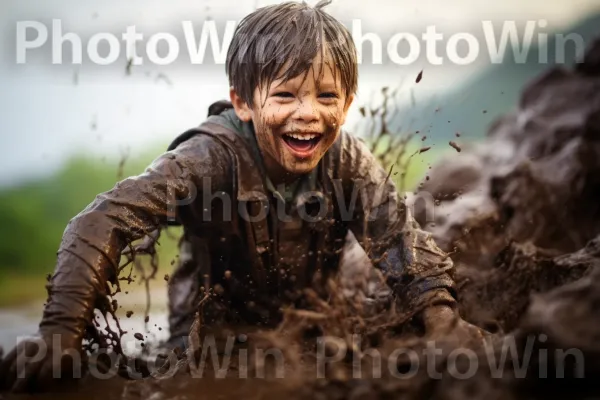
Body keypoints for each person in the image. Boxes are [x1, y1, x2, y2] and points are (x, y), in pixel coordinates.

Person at [0, 0, 481, 392]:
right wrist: (60, 333)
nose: (308, 114)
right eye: (286, 95)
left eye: (327, 97)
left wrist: (443, 319)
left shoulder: (348, 162)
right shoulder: (208, 157)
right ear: (243, 102)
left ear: (349, 103)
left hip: (310, 326)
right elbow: (99, 221)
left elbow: (399, 240)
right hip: (205, 337)